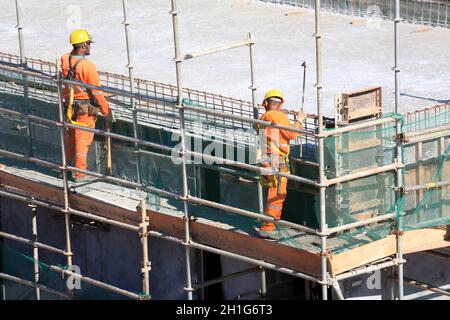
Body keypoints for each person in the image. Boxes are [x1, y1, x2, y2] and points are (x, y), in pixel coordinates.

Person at [60, 29, 115, 183]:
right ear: (83, 45)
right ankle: (79, 174)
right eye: (89, 43)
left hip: (70, 106)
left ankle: (65, 169)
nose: (90, 46)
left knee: (70, 137)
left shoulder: (65, 59)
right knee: (82, 140)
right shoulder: (88, 67)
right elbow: (96, 93)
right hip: (84, 109)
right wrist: (106, 111)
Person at [255, 89, 307, 240]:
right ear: (280, 104)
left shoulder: (264, 117)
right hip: (276, 161)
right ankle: (267, 227)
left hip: (267, 159)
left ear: (266, 103)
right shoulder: (277, 115)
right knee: (277, 194)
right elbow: (292, 134)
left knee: (272, 191)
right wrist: (300, 120)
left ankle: (269, 223)